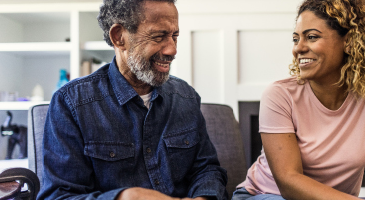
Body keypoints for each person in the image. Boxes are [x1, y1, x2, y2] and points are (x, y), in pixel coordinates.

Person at [37, 0, 228, 199]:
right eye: (159, 36)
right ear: (119, 37)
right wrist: (125, 197)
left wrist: (203, 197)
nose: (172, 50)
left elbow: (207, 170)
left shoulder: (186, 97)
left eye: (174, 36)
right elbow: (59, 196)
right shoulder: (71, 103)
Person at [233, 0, 365, 199]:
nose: (298, 48)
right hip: (267, 195)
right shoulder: (280, 94)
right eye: (296, 39)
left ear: (350, 41)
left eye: (311, 37)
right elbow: (288, 179)